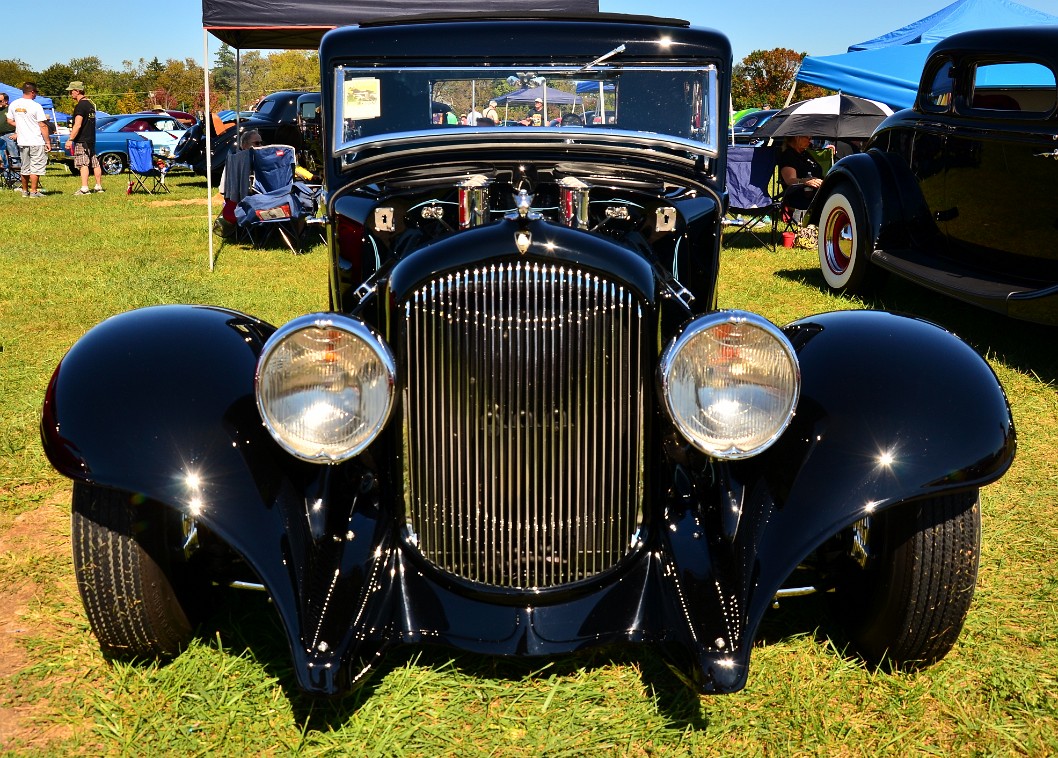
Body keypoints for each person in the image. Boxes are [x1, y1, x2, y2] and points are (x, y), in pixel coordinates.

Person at [6, 82, 50, 198]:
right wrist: (48, 141)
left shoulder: (14, 104)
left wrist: (20, 125)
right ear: (32, 92)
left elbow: (9, 121)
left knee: (25, 167)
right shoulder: (36, 106)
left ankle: (25, 191)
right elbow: (42, 125)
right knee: (36, 167)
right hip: (36, 140)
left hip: (22, 141)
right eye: (35, 92)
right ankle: (34, 191)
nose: (35, 95)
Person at [66, 81, 104, 195]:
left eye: (71, 91)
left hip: (82, 140)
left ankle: (84, 188)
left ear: (77, 91)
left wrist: (70, 139)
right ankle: (98, 186)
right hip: (91, 139)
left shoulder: (80, 106)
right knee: (95, 162)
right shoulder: (90, 105)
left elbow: (77, 124)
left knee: (83, 163)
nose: (70, 94)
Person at [778, 135, 823, 210]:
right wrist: (805, 181)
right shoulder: (788, 156)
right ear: (797, 137)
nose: (810, 141)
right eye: (808, 138)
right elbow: (790, 180)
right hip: (800, 196)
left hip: (816, 191)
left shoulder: (805, 153)